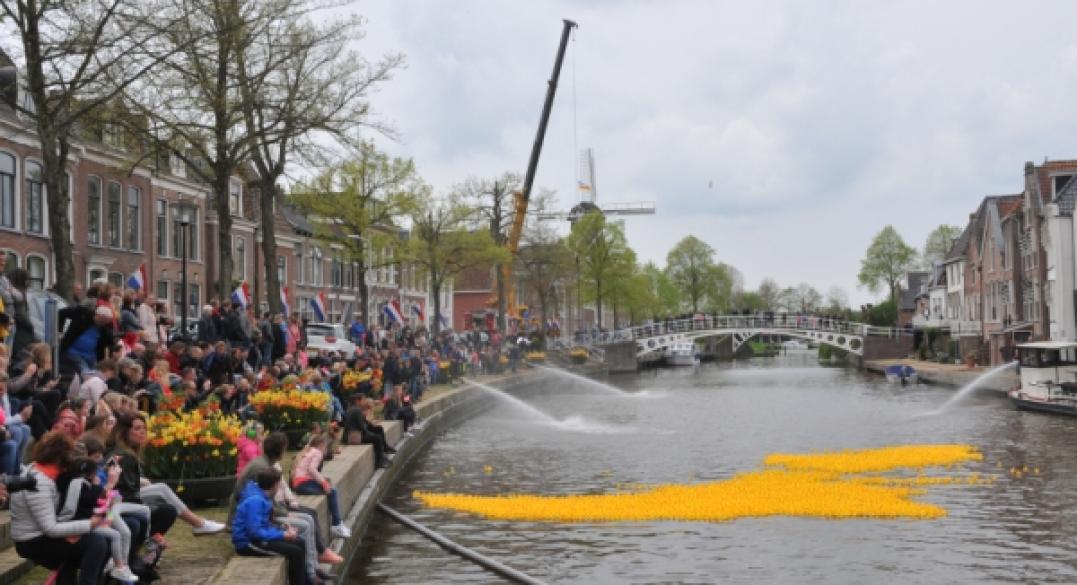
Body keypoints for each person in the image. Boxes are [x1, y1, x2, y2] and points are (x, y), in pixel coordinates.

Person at [108, 412, 225, 555]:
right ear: (125, 432)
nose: (143, 432)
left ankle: (151, 545)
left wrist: (141, 481)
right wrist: (141, 485)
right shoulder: (123, 455)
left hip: (125, 498)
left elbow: (123, 480)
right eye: (137, 428)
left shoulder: (128, 452)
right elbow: (122, 487)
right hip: (118, 502)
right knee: (161, 490)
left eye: (144, 428)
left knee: (168, 509)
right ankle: (198, 523)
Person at [228, 432, 339, 582]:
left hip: (263, 523)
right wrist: (282, 530)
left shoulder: (264, 480)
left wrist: (283, 526)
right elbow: (255, 528)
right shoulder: (258, 489)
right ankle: (310, 576)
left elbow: (266, 514)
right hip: (248, 540)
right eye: (285, 448)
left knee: (301, 537)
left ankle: (312, 571)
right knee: (299, 539)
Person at [10, 431, 111, 585]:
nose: (72, 461)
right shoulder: (39, 482)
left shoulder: (46, 474)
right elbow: (50, 528)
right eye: (70, 456)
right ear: (59, 458)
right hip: (33, 541)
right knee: (96, 543)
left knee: (97, 543)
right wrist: (89, 524)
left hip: (43, 535)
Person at [56, 455, 140, 583]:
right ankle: (119, 566)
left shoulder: (85, 485)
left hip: (95, 518)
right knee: (115, 535)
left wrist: (111, 504)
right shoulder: (81, 486)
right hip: (82, 523)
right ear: (89, 475)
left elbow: (108, 506)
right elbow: (98, 504)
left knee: (126, 530)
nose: (97, 476)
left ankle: (122, 565)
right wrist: (110, 485)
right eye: (95, 474)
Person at [232, 468, 309, 585]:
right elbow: (254, 532)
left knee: (300, 542)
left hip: (258, 537)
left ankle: (307, 582)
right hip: (248, 543)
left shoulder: (261, 495)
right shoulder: (255, 501)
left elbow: (263, 523)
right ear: (274, 485)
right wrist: (283, 535)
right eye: (279, 484)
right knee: (295, 552)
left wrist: (281, 527)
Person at [290, 434, 351, 538]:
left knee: (330, 489)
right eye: (326, 446)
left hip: (298, 484)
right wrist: (324, 483)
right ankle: (337, 525)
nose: (327, 449)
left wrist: (322, 479)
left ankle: (338, 524)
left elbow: (306, 471)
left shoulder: (309, 451)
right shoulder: (318, 453)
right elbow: (312, 469)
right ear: (321, 445)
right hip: (303, 484)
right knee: (332, 491)